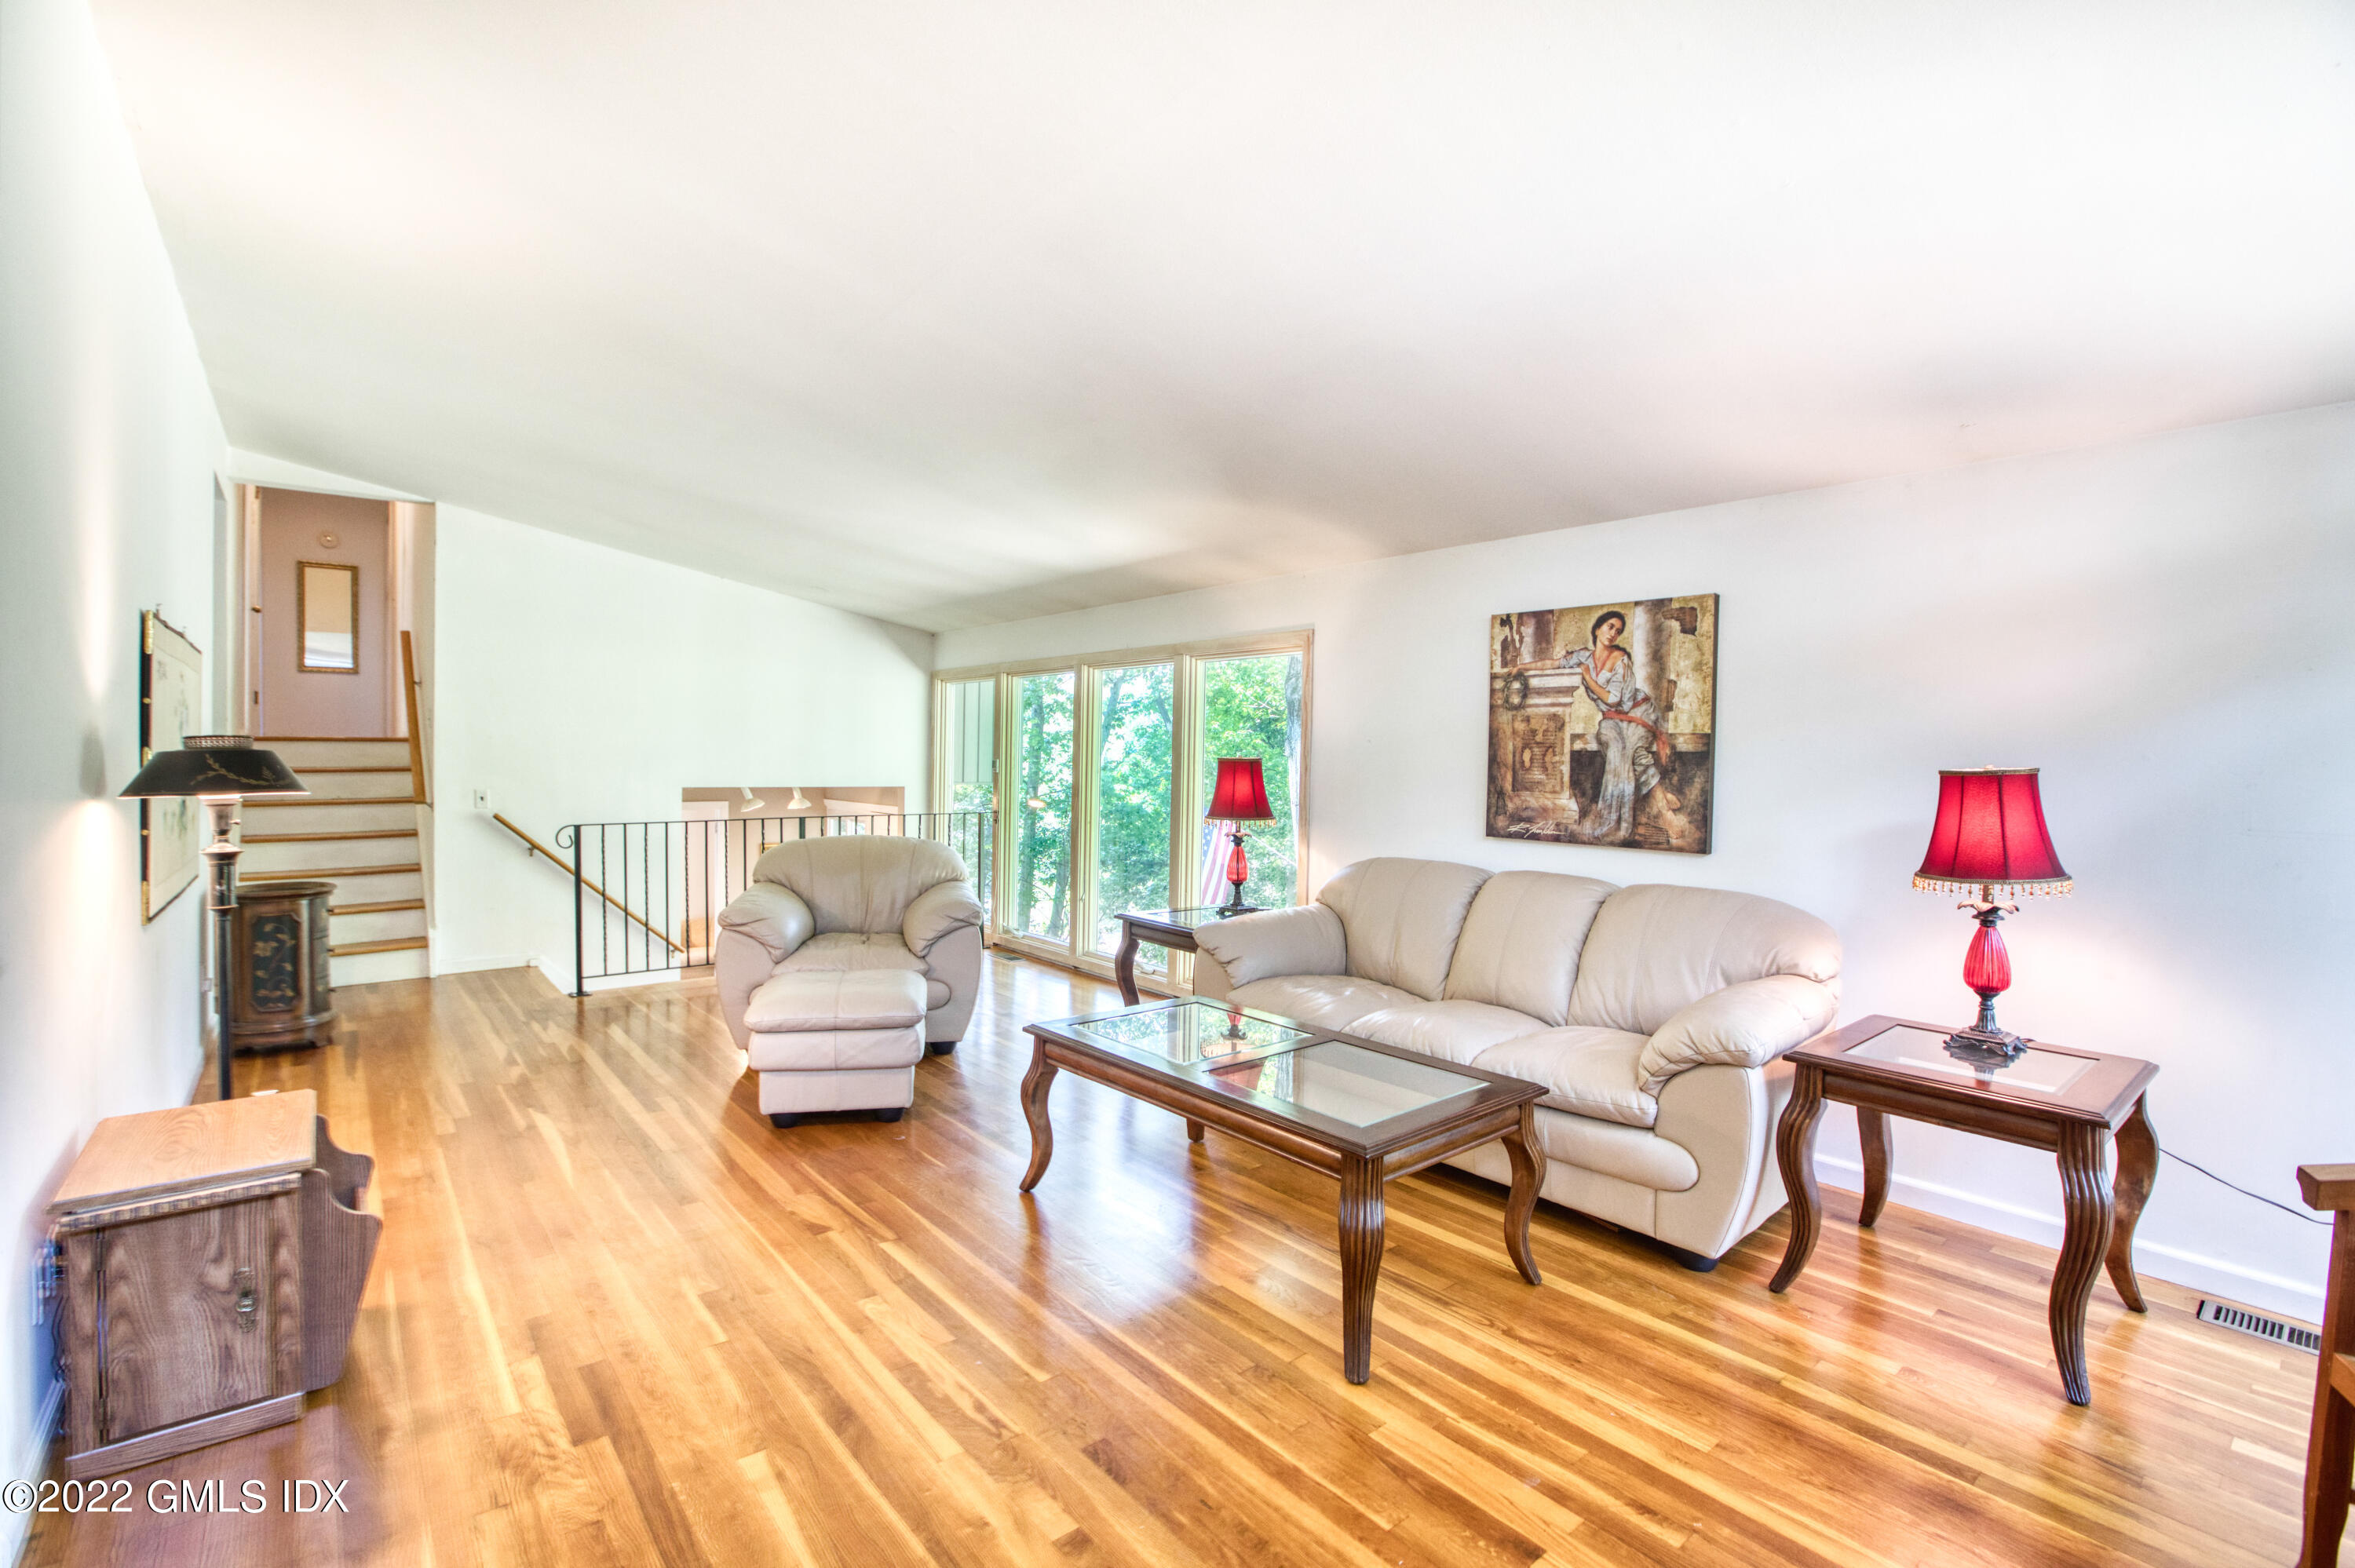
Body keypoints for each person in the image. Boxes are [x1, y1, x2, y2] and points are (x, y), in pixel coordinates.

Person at [1512, 611, 1679, 841]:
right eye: (1610, 627)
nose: (1613, 634)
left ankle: (1660, 811)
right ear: (1598, 628)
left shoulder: (1621, 659)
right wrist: (1523, 668)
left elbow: (1614, 699)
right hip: (1612, 718)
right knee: (1619, 748)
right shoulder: (1583, 657)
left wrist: (1588, 677)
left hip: (1638, 712)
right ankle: (1658, 799)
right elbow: (1553, 663)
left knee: (1629, 750)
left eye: (1618, 631)